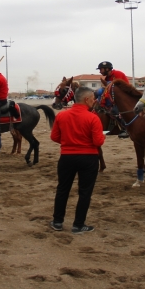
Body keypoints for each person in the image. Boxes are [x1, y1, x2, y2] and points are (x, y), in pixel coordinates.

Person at [50, 86, 105, 234]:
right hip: (88, 158)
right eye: (93, 99)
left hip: (67, 157)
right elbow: (98, 141)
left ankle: (57, 221)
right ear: (86, 99)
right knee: (85, 192)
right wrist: (102, 136)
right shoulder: (93, 118)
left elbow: (54, 137)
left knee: (62, 189)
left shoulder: (61, 116)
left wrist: (69, 141)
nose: (94, 102)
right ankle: (78, 224)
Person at [96, 61, 130, 139]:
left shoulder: (118, 74)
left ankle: (126, 129)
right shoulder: (107, 78)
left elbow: (121, 87)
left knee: (115, 110)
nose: (100, 71)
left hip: (123, 96)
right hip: (114, 97)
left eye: (101, 69)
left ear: (107, 69)